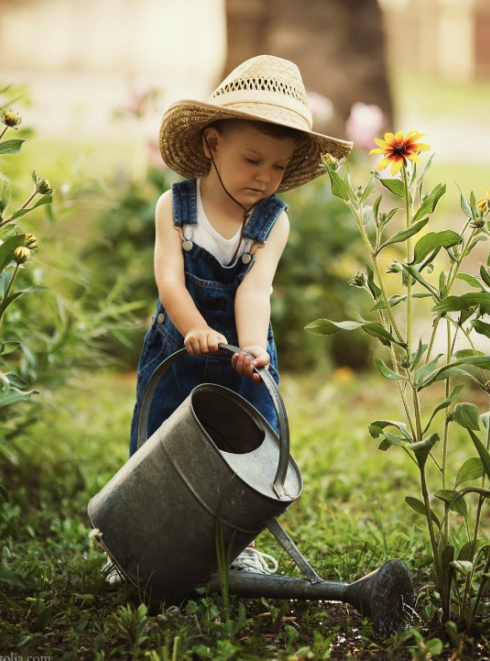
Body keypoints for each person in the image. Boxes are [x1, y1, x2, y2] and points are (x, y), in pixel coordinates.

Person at [103, 55, 352, 585]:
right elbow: (170, 281)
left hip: (242, 348)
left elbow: (254, 290)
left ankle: (235, 547)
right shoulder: (174, 207)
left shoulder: (271, 221)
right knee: (158, 437)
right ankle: (134, 540)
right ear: (213, 144)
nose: (265, 178)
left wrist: (251, 346)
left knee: (249, 443)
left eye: (278, 167)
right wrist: (194, 326)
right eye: (252, 160)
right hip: (179, 343)